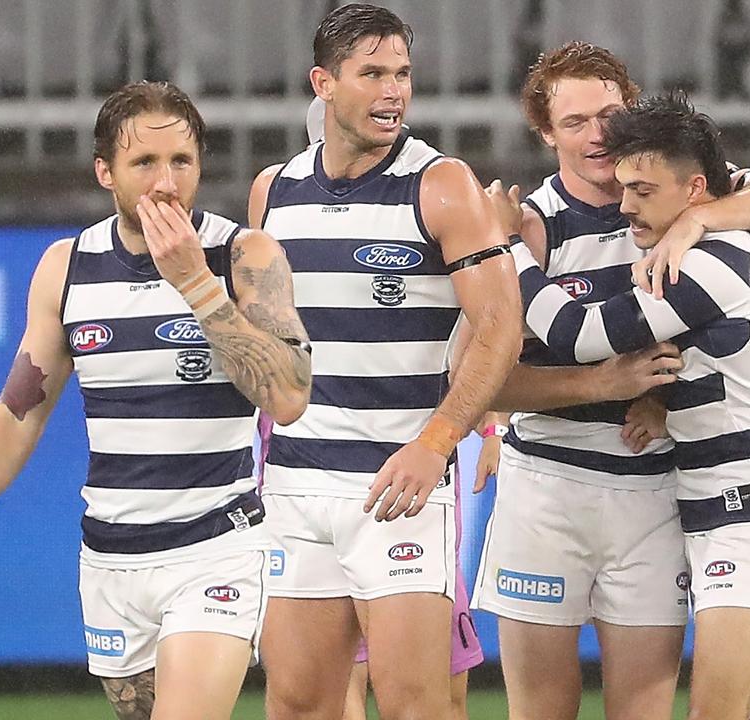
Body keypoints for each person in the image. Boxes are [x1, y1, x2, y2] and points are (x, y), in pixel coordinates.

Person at [471, 43, 750, 720]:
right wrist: (600, 387)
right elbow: (472, 383)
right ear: (545, 132)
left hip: (662, 494)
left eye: (610, 114)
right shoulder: (538, 223)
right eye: (575, 121)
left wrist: (704, 216)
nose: (598, 136)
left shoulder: (676, 194)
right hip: (552, 491)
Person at [0, 80, 311, 720]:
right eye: (144, 163)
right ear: (105, 171)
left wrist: (195, 283)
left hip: (216, 547)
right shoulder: (67, 265)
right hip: (111, 559)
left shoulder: (242, 254)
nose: (166, 182)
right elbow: (17, 415)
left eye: (181, 162)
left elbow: (288, 396)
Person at [247, 4, 521, 720]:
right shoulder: (272, 191)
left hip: (400, 488)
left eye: (401, 73)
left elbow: (500, 326)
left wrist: (438, 444)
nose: (393, 90)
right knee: (298, 704)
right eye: (372, 73)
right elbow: (265, 347)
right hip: (294, 486)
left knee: (414, 707)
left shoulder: (441, 184)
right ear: (324, 83)